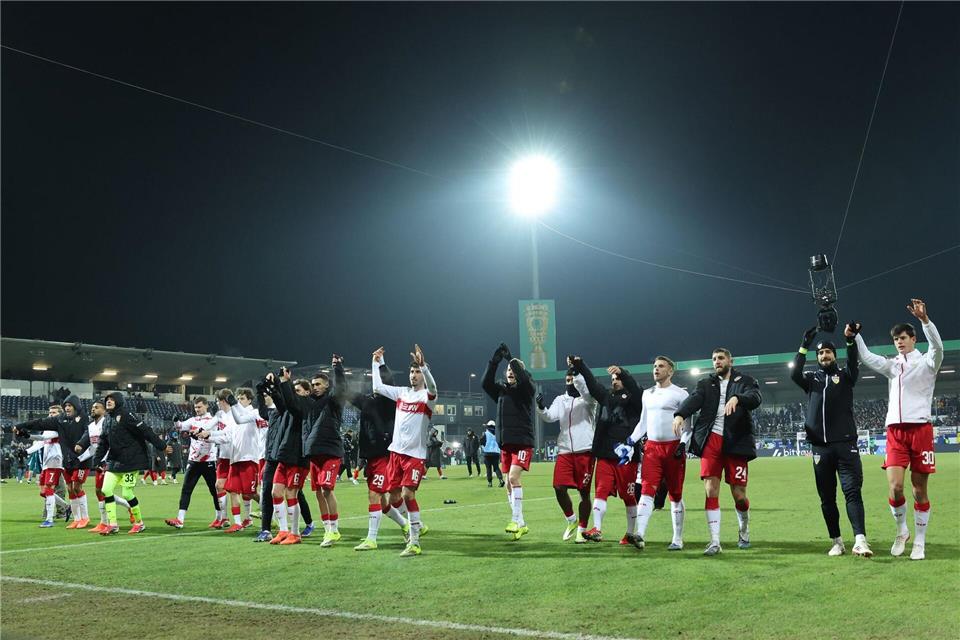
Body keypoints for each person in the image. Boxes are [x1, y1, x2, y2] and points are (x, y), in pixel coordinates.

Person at [854, 299, 942, 560]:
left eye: (903, 337)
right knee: (894, 487)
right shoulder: (893, 366)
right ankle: (902, 531)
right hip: (895, 432)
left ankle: (920, 541)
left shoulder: (927, 363)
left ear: (913, 339)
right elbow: (868, 357)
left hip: (920, 431)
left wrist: (925, 321)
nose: (899, 342)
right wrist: (856, 336)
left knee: (918, 489)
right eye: (896, 339)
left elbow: (937, 347)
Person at [791, 325, 873, 557]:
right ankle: (837, 541)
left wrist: (850, 340)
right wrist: (804, 346)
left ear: (834, 355)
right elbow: (794, 374)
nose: (824, 355)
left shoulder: (846, 376)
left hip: (846, 445)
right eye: (821, 353)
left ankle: (860, 540)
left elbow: (853, 360)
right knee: (826, 498)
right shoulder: (811, 379)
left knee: (852, 492)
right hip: (820, 448)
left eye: (828, 351)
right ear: (817, 357)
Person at [673, 348, 762, 556]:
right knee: (710, 490)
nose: (717, 362)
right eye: (714, 359)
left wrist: (738, 398)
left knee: (739, 495)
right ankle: (714, 541)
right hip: (710, 441)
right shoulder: (706, 384)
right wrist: (680, 414)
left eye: (721, 358)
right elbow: (694, 400)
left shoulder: (745, 380)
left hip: (736, 441)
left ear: (730, 360)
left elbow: (755, 398)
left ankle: (744, 529)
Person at [619, 356, 691, 550]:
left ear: (670, 371)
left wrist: (683, 444)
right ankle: (640, 534)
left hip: (673, 448)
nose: (656, 369)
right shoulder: (647, 394)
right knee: (647, 491)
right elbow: (642, 423)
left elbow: (688, 425)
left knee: (675, 495)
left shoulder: (680, 394)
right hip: (652, 449)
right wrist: (630, 441)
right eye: (654, 366)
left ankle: (677, 539)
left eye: (661, 366)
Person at [372, 344, 438, 557]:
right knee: (393, 499)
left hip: (415, 456)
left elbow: (434, 388)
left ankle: (415, 542)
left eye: (417, 372)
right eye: (412, 371)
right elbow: (377, 388)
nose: (413, 375)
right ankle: (415, 526)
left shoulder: (427, 398)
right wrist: (377, 364)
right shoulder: (402, 394)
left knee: (408, 494)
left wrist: (424, 366)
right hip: (395, 454)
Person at [572, 357, 644, 545]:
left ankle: (629, 534)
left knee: (628, 495)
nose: (614, 381)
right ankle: (597, 529)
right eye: (612, 379)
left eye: (617, 378)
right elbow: (592, 382)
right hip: (605, 453)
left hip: (626, 455)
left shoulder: (636, 398)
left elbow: (634, 388)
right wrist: (580, 365)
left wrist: (622, 372)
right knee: (601, 491)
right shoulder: (606, 396)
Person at [280, 356, 348, 547]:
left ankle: (334, 529)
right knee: (319, 492)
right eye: (313, 384)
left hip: (331, 450)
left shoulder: (333, 401)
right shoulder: (308, 404)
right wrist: (285, 382)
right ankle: (327, 528)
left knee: (327, 489)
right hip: (313, 452)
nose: (315, 386)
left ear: (326, 386)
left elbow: (342, 387)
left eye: (318, 384)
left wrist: (338, 367)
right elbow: (292, 402)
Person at [348, 361, 410, 550]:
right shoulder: (366, 401)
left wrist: (380, 365)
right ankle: (410, 525)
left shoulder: (391, 400)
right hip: (371, 457)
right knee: (386, 501)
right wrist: (338, 368)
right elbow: (344, 390)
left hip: (386, 455)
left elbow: (387, 380)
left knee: (376, 495)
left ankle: (371, 539)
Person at [93, 392, 171, 535]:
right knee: (106, 490)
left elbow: (145, 431)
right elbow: (103, 442)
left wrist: (162, 446)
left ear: (119, 401)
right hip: (114, 461)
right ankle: (113, 524)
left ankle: (139, 523)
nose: (109, 401)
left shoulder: (127, 415)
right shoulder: (107, 420)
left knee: (127, 493)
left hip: (131, 461)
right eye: (107, 400)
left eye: (112, 399)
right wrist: (96, 460)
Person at [537, 363, 597, 544]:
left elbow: (585, 391)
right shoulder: (560, 399)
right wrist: (541, 408)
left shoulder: (588, 400)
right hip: (565, 451)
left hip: (585, 451)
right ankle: (571, 519)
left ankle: (582, 530)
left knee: (584, 493)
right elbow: (550, 416)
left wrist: (578, 374)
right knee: (558, 487)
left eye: (572, 380)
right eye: (567, 380)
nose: (569, 383)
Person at [482, 342, 535, 541]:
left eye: (514, 369)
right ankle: (521, 523)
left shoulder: (527, 389)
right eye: (508, 369)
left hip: (522, 442)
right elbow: (485, 383)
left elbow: (525, 381)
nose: (510, 371)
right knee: (507, 484)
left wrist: (512, 359)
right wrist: (494, 362)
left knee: (514, 478)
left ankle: (515, 519)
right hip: (506, 443)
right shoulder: (502, 391)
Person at [14, 397, 91, 528]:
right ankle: (69, 510)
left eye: (54, 413)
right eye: (50, 413)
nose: (51, 415)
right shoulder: (56, 423)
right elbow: (41, 440)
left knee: (58, 489)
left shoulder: (63, 424)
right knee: (48, 491)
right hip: (50, 462)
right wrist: (26, 450)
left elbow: (43, 437)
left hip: (58, 461)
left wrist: (27, 434)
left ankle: (52, 519)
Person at [198, 388, 267, 533]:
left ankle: (270, 514)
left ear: (249, 400)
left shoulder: (253, 413)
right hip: (235, 460)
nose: (239, 401)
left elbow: (241, 419)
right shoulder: (234, 417)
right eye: (238, 398)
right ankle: (237, 523)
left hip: (249, 458)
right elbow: (227, 436)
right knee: (233, 491)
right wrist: (208, 436)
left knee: (251, 493)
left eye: (242, 398)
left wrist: (209, 433)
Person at [164, 397, 221, 529]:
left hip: (209, 460)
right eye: (195, 407)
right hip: (194, 461)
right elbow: (180, 427)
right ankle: (180, 519)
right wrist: (176, 420)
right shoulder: (192, 420)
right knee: (186, 489)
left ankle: (220, 517)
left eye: (199, 407)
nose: (197, 409)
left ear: (206, 406)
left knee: (214, 491)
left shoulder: (213, 420)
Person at [479, 421, 504, 488]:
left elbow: (481, 441)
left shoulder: (486, 434)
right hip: (496, 453)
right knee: (496, 467)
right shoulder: (498, 434)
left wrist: (484, 446)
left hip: (487, 453)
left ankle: (490, 483)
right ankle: (501, 480)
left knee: (488, 468)